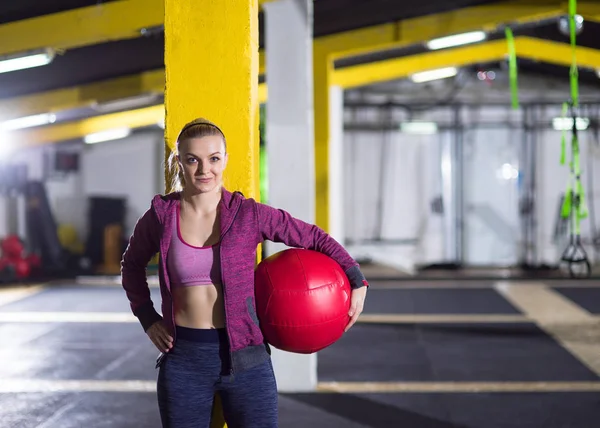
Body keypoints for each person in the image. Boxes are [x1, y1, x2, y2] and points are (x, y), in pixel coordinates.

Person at [120, 118, 369, 428]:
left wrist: (355, 278)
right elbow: (131, 266)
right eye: (192, 159)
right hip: (184, 359)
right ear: (179, 162)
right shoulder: (161, 216)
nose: (204, 169)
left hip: (247, 360)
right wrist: (148, 318)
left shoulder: (249, 214)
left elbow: (313, 237)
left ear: (225, 159)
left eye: (213, 159)